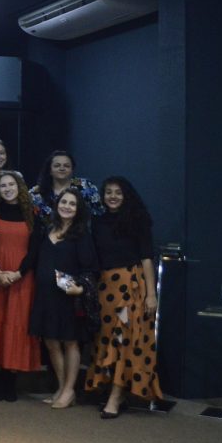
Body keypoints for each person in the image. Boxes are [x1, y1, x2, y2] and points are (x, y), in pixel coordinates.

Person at [84, 177, 162, 418]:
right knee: (107, 339)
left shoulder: (137, 220)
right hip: (107, 289)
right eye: (108, 192)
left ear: (126, 195)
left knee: (124, 339)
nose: (113, 196)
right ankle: (114, 390)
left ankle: (115, 398)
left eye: (118, 192)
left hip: (131, 288)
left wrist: (151, 294)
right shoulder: (97, 222)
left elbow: (147, 257)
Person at [24, 188, 99, 409]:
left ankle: (69, 390)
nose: (67, 206)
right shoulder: (47, 229)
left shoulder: (82, 235)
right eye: (63, 202)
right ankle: (61, 386)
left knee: (70, 342)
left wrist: (80, 288)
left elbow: (90, 269)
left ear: (78, 210)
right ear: (57, 205)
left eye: (72, 204)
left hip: (68, 297)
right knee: (51, 342)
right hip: (45, 296)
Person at [0, 171, 40, 402]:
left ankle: (10, 381)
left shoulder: (32, 213)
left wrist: (17, 274)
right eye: (3, 185)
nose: (7, 188)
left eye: (11, 184)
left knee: (17, 326)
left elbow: (35, 249)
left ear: (20, 187)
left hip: (21, 278)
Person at [29, 150, 103, 227]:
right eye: (57, 165)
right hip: (47, 237)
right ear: (50, 170)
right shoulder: (36, 193)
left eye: (66, 166)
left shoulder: (86, 186)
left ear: (72, 170)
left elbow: (99, 212)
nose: (62, 168)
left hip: (82, 235)